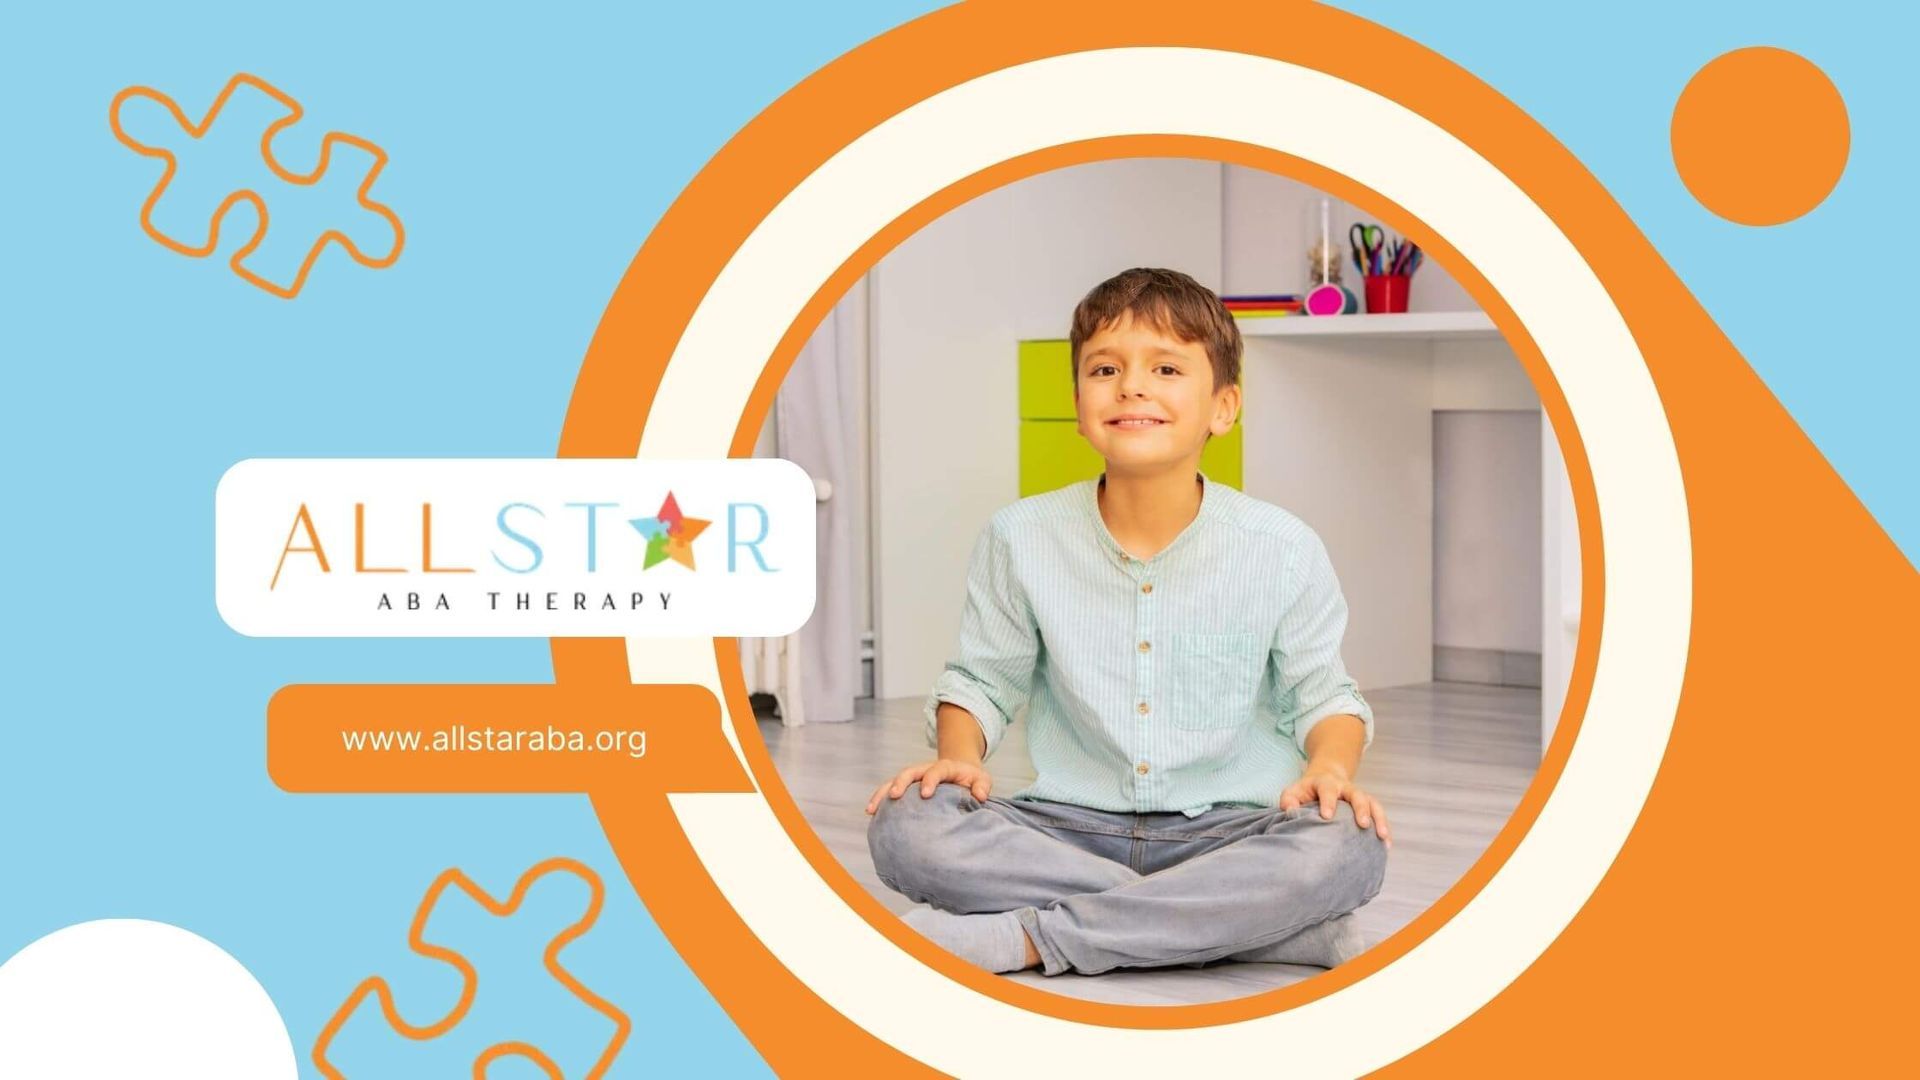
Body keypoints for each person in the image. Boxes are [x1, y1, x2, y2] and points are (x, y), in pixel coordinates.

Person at [863, 267, 1391, 977]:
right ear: (1080, 403)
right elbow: (983, 679)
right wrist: (959, 758)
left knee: (1349, 844)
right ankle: (1253, 929)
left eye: (1166, 368)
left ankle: (1028, 939)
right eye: (1105, 368)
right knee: (908, 827)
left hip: (1230, 829)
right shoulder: (1020, 536)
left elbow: (1324, 696)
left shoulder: (1283, 548)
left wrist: (1330, 769)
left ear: (1223, 407)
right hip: (1064, 829)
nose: (1132, 386)